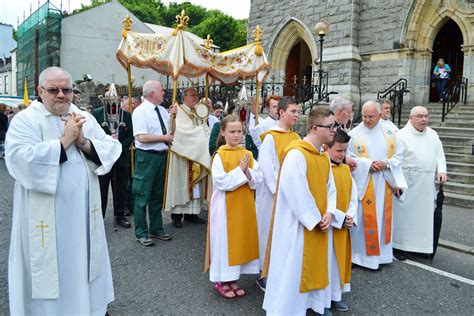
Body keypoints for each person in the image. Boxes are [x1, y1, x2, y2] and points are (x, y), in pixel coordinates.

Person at [5, 66, 121, 315]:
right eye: (53, 89)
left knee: (82, 263)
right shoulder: (25, 120)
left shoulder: (83, 117)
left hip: (82, 216)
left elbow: (110, 148)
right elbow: (19, 161)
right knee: (49, 267)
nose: (61, 95)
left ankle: (86, 308)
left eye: (66, 89)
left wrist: (83, 142)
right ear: (40, 91)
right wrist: (65, 141)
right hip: (47, 219)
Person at [263, 107, 339, 315]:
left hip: (320, 220)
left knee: (314, 265)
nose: (334, 130)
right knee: (293, 268)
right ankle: (286, 309)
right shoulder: (296, 154)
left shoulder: (323, 155)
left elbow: (330, 187)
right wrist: (315, 219)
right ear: (315, 128)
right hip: (297, 225)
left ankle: (313, 304)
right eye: (330, 126)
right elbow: (295, 191)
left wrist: (330, 212)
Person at [204, 114, 263, 299]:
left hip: (244, 204)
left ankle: (232, 277)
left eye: (239, 131)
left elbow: (259, 179)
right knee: (224, 241)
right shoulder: (219, 155)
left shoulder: (248, 155)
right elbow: (220, 182)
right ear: (223, 132)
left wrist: (247, 171)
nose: (237, 135)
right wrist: (240, 171)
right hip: (224, 207)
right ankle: (221, 280)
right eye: (232, 131)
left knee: (240, 239)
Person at [348, 101, 407, 271]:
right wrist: (367, 164)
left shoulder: (391, 132)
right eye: (364, 116)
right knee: (363, 220)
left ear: (380, 115)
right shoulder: (354, 134)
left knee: (381, 219)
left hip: (384, 182)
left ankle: (380, 256)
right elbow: (349, 155)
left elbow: (399, 155)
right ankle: (359, 257)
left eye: (371, 116)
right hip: (364, 183)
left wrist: (386, 164)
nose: (366, 120)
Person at [255, 96, 300, 291]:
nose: (297, 115)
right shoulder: (271, 137)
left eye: (298, 112)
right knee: (267, 230)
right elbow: (267, 168)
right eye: (293, 111)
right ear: (281, 112)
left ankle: (280, 269)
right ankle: (263, 272)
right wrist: (279, 190)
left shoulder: (296, 138)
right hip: (273, 195)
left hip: (290, 195)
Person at [392, 106, 447, 261]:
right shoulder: (401, 135)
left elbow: (439, 155)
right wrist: (395, 183)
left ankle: (419, 248)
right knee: (404, 217)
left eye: (426, 116)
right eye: (420, 116)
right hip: (408, 182)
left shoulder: (433, 134)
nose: (424, 119)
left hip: (426, 183)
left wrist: (441, 171)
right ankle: (399, 246)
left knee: (423, 218)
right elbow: (395, 162)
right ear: (411, 118)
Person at [132, 80, 174, 246]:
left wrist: (173, 116)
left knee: (157, 195)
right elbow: (141, 137)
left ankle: (156, 228)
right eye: (161, 90)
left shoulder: (163, 110)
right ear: (152, 93)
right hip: (146, 157)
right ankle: (141, 232)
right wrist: (164, 138)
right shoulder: (140, 112)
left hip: (161, 156)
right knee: (142, 195)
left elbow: (169, 131)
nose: (164, 93)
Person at [164, 87, 211, 228]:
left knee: (195, 185)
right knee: (180, 183)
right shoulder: (177, 110)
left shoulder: (198, 110)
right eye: (192, 95)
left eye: (196, 95)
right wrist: (201, 133)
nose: (195, 98)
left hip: (197, 153)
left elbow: (205, 127)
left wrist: (205, 133)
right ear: (184, 96)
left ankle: (192, 215)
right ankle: (177, 217)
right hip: (182, 155)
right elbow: (180, 131)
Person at [92, 83, 133, 229]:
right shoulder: (96, 114)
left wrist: (118, 147)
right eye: (108, 95)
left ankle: (120, 216)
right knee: (101, 189)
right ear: (104, 97)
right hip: (103, 158)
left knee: (120, 189)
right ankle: (99, 217)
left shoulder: (127, 115)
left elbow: (130, 136)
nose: (111, 98)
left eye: (114, 96)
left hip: (120, 157)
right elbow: (93, 135)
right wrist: (107, 147)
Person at [326, 129, 358, 312]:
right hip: (329, 226)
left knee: (338, 264)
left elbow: (353, 195)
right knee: (327, 265)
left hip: (342, 226)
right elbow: (323, 200)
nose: (343, 155)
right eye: (339, 150)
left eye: (345, 151)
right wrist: (339, 218)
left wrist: (350, 216)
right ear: (327, 148)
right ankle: (321, 301)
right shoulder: (324, 169)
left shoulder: (345, 169)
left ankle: (335, 295)